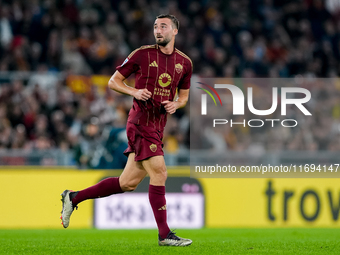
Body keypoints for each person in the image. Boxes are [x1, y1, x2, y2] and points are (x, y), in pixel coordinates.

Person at [60, 14, 193, 247]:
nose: (158, 30)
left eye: (163, 26)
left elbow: (184, 96)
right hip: (140, 122)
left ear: (175, 31)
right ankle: (164, 234)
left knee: (127, 183)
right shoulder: (142, 54)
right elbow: (113, 81)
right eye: (155, 26)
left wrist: (177, 104)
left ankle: (73, 197)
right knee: (160, 173)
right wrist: (134, 92)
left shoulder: (185, 63)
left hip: (158, 126)